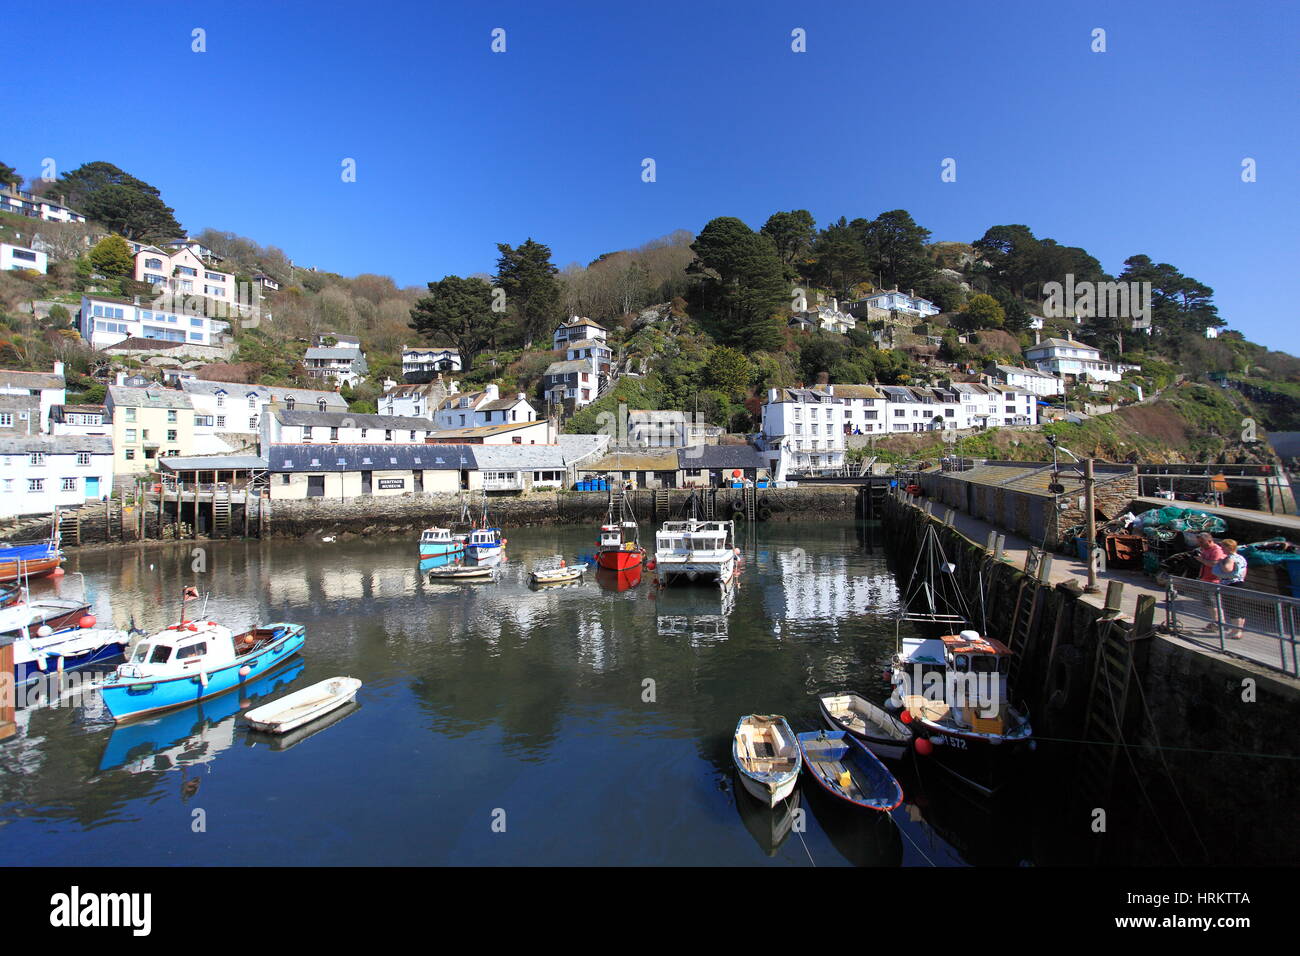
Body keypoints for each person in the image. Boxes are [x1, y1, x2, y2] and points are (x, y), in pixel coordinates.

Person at [1212, 539, 1249, 639]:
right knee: (1239, 608)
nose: (1222, 549)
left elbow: (1228, 569)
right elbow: (1244, 572)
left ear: (1228, 547)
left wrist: (1220, 563)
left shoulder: (1230, 558)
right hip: (1240, 583)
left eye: (1223, 547)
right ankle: (1238, 631)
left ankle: (1235, 631)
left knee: (1232, 608)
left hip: (1231, 584)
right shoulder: (1241, 558)